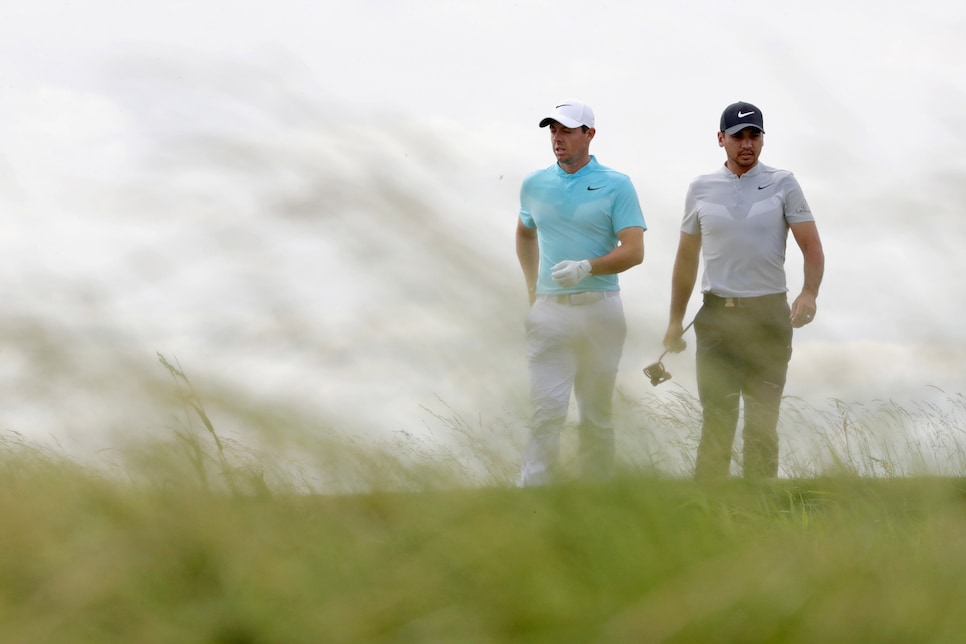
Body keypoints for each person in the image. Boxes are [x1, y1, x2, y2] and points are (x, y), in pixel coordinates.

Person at [662, 101, 825, 479]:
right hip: (716, 317)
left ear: (763, 139)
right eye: (738, 137)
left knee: (761, 424)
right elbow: (686, 260)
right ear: (721, 140)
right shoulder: (700, 189)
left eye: (754, 135)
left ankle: (761, 516)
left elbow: (812, 248)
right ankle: (709, 520)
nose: (746, 144)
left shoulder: (784, 183)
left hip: (768, 316)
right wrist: (674, 322)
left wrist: (809, 293)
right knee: (717, 422)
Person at [516, 99, 646, 486]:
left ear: (589, 134)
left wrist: (588, 267)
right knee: (546, 412)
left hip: (600, 310)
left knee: (595, 415)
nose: (558, 138)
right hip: (550, 311)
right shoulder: (534, 184)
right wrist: (532, 291)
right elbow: (525, 234)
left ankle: (598, 496)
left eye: (567, 130)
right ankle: (533, 501)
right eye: (553, 130)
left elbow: (634, 251)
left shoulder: (617, 185)